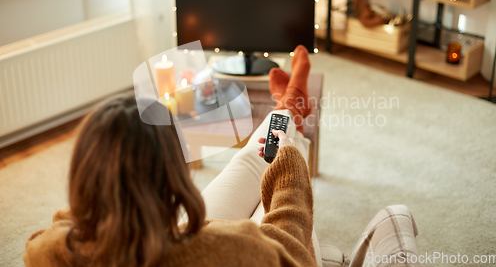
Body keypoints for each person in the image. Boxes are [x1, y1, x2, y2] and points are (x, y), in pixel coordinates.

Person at [23, 45, 320, 267]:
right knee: (267, 164)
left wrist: (93, 211)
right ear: (173, 178)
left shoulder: (54, 252)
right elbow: (295, 254)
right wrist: (291, 170)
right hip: (181, 241)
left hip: (152, 235)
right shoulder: (233, 249)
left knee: (250, 160)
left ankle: (288, 105)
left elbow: (49, 235)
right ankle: (292, 109)